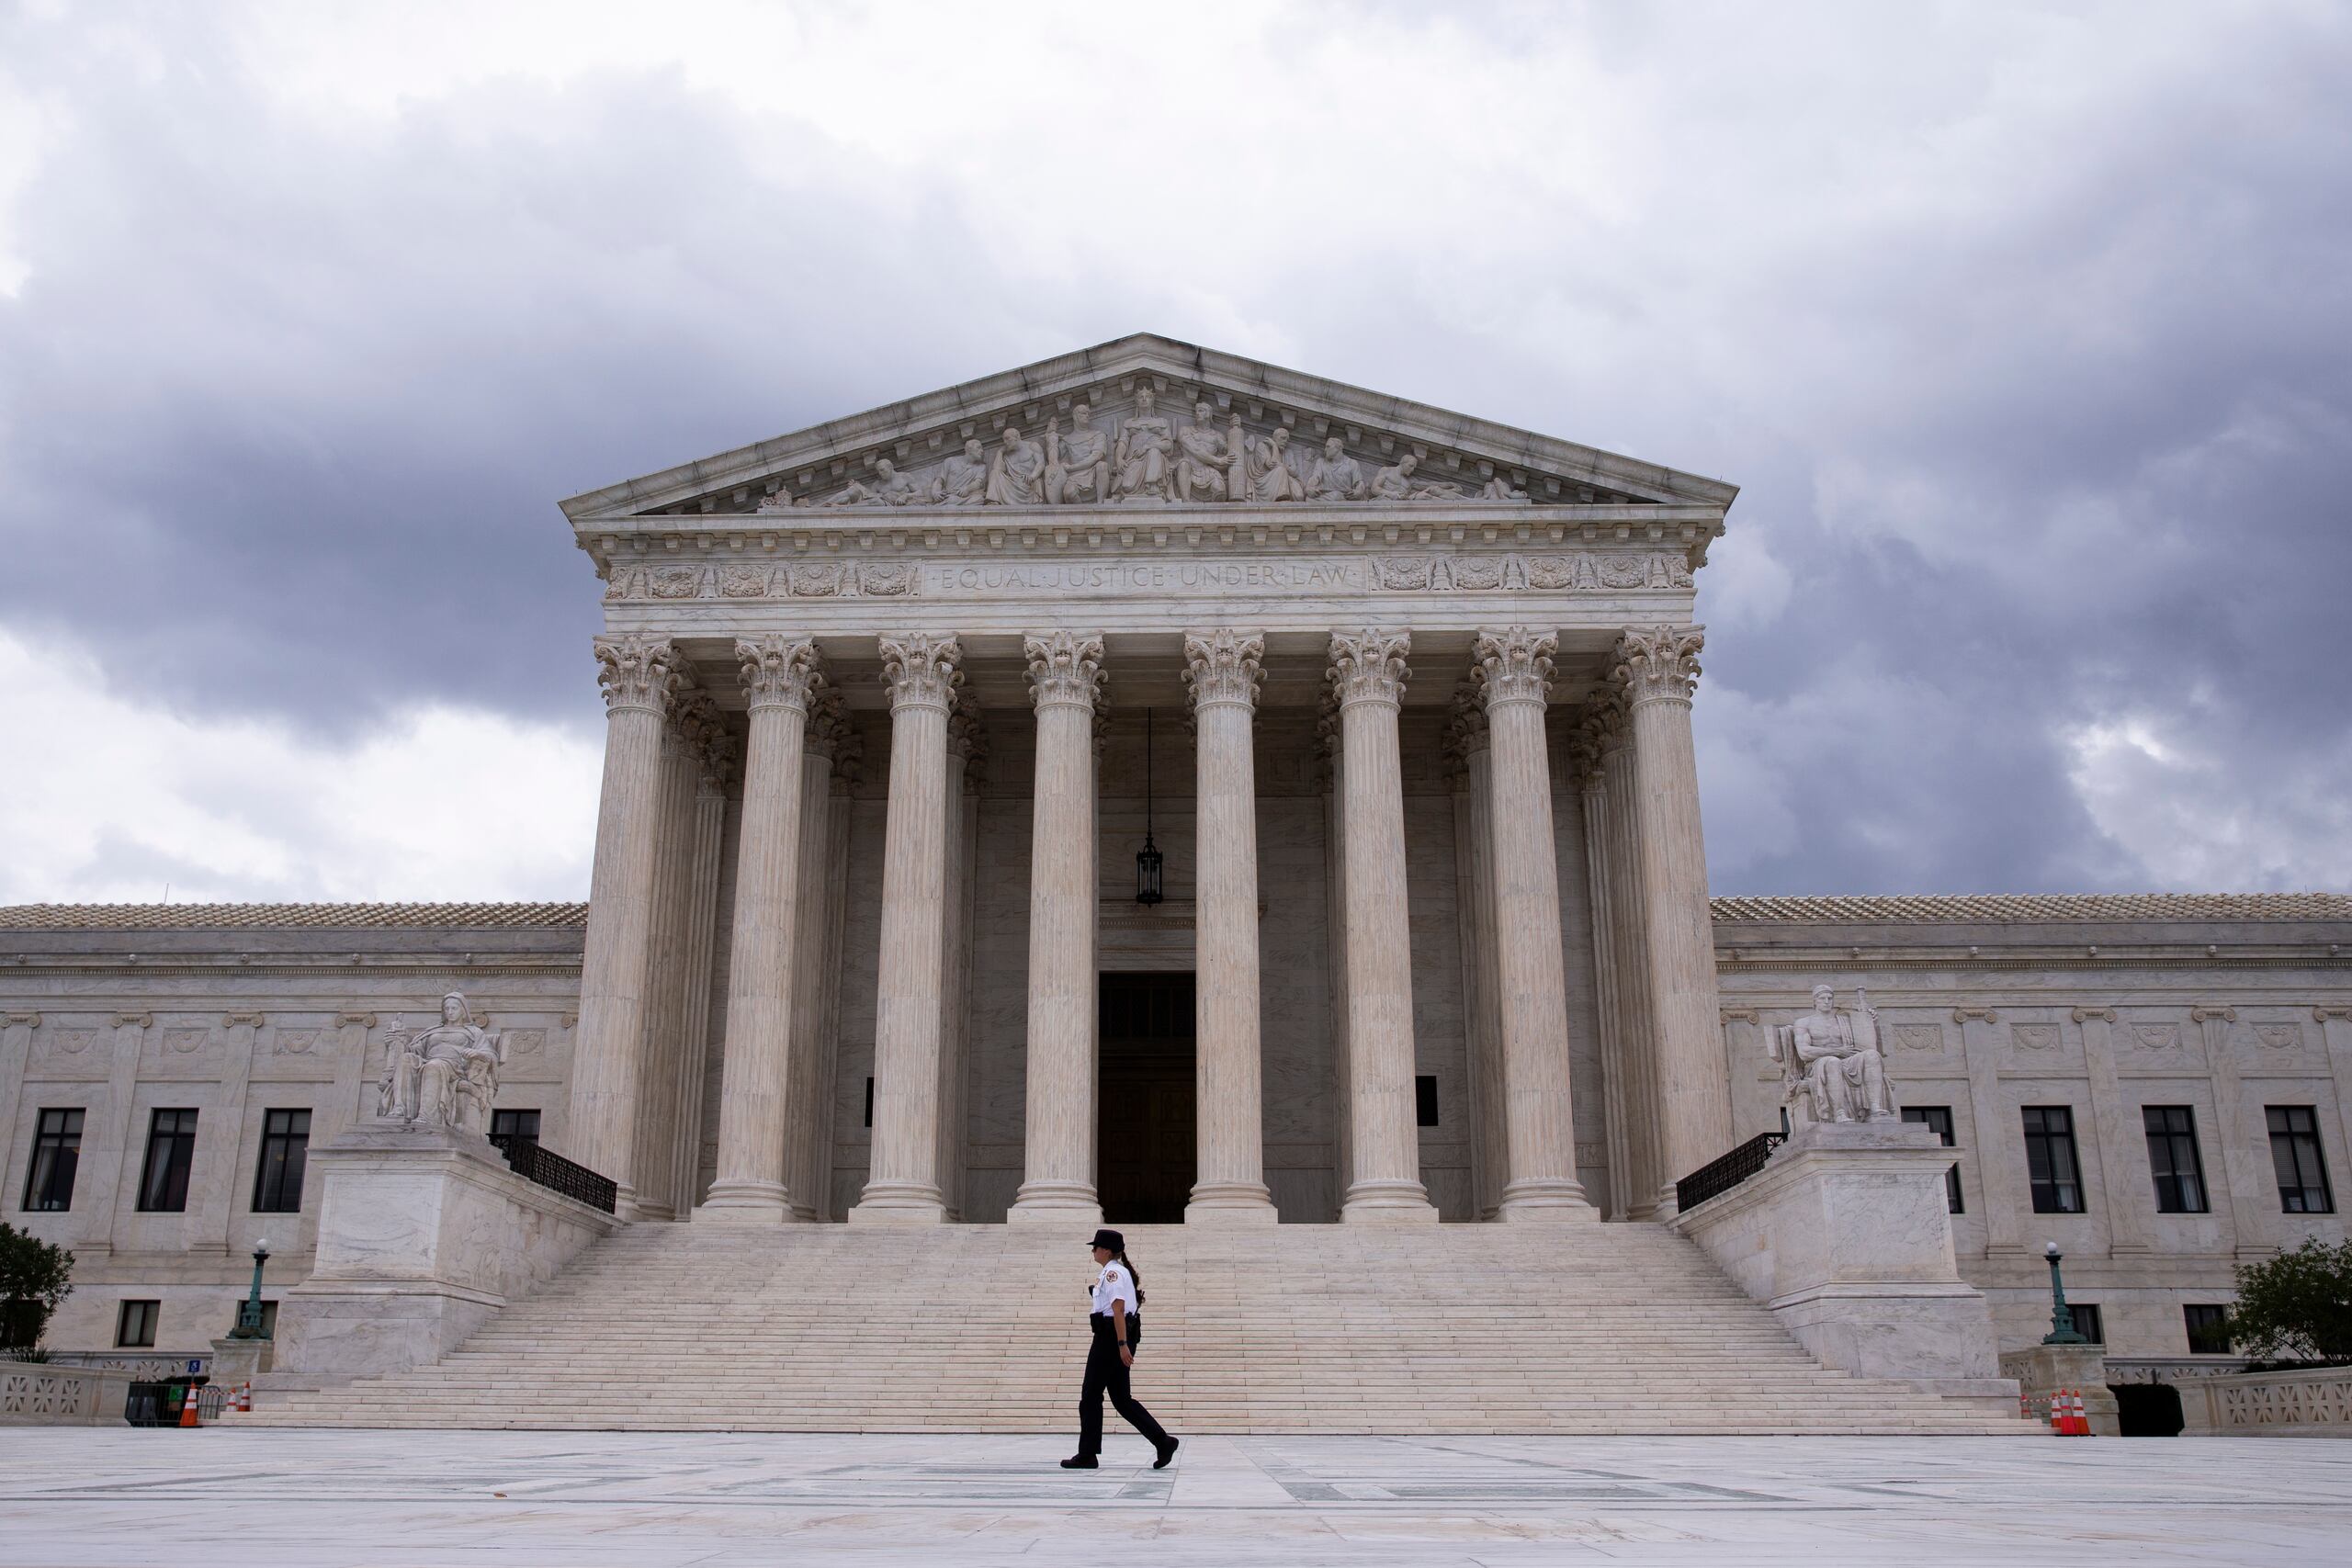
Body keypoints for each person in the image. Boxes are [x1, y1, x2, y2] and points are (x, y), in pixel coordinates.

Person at [1061, 1227, 1178, 1470]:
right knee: (1121, 1399)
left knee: (1090, 1395)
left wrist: (1122, 1344)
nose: (1093, 1251)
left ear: (1106, 1250)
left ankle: (1087, 1454)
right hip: (1113, 1337)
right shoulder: (1117, 1271)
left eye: (1095, 1247)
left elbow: (1118, 1309)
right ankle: (1162, 1441)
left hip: (1110, 1339)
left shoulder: (1113, 1272)